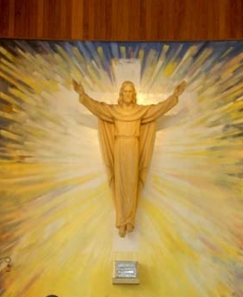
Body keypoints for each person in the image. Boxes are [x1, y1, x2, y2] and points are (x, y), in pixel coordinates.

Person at [72, 78, 187, 237]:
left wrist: (174, 96)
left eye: (130, 91)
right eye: (125, 91)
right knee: (120, 185)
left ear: (134, 94)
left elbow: (158, 109)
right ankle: (121, 222)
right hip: (119, 148)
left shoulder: (140, 111)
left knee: (132, 184)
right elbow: (97, 107)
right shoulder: (114, 110)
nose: (127, 94)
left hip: (134, 148)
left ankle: (130, 220)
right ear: (121, 94)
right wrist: (82, 95)